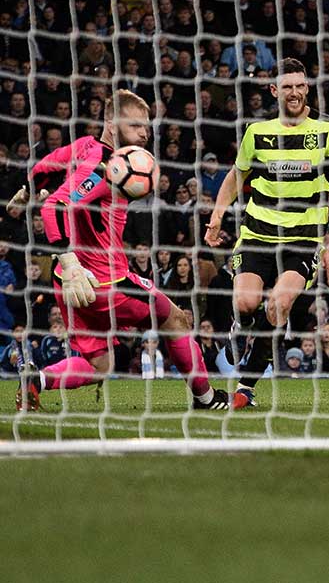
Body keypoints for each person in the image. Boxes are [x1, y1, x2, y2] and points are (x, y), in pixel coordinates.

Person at [7, 90, 229, 411]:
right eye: (136, 125)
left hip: (69, 281)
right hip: (101, 281)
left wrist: (28, 190)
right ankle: (206, 399)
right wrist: (69, 261)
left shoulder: (85, 145)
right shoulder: (107, 166)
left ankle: (37, 380)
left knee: (100, 365)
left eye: (147, 127)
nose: (144, 133)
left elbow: (43, 167)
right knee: (176, 321)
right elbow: (55, 207)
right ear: (111, 123)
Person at [204, 58, 329, 409]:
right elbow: (236, 175)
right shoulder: (258, 132)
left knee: (279, 304)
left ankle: (246, 388)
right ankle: (240, 331)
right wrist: (217, 214)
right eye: (287, 86)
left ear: (308, 88)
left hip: (303, 240)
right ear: (275, 91)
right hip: (257, 233)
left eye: (300, 85)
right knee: (245, 303)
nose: (295, 92)